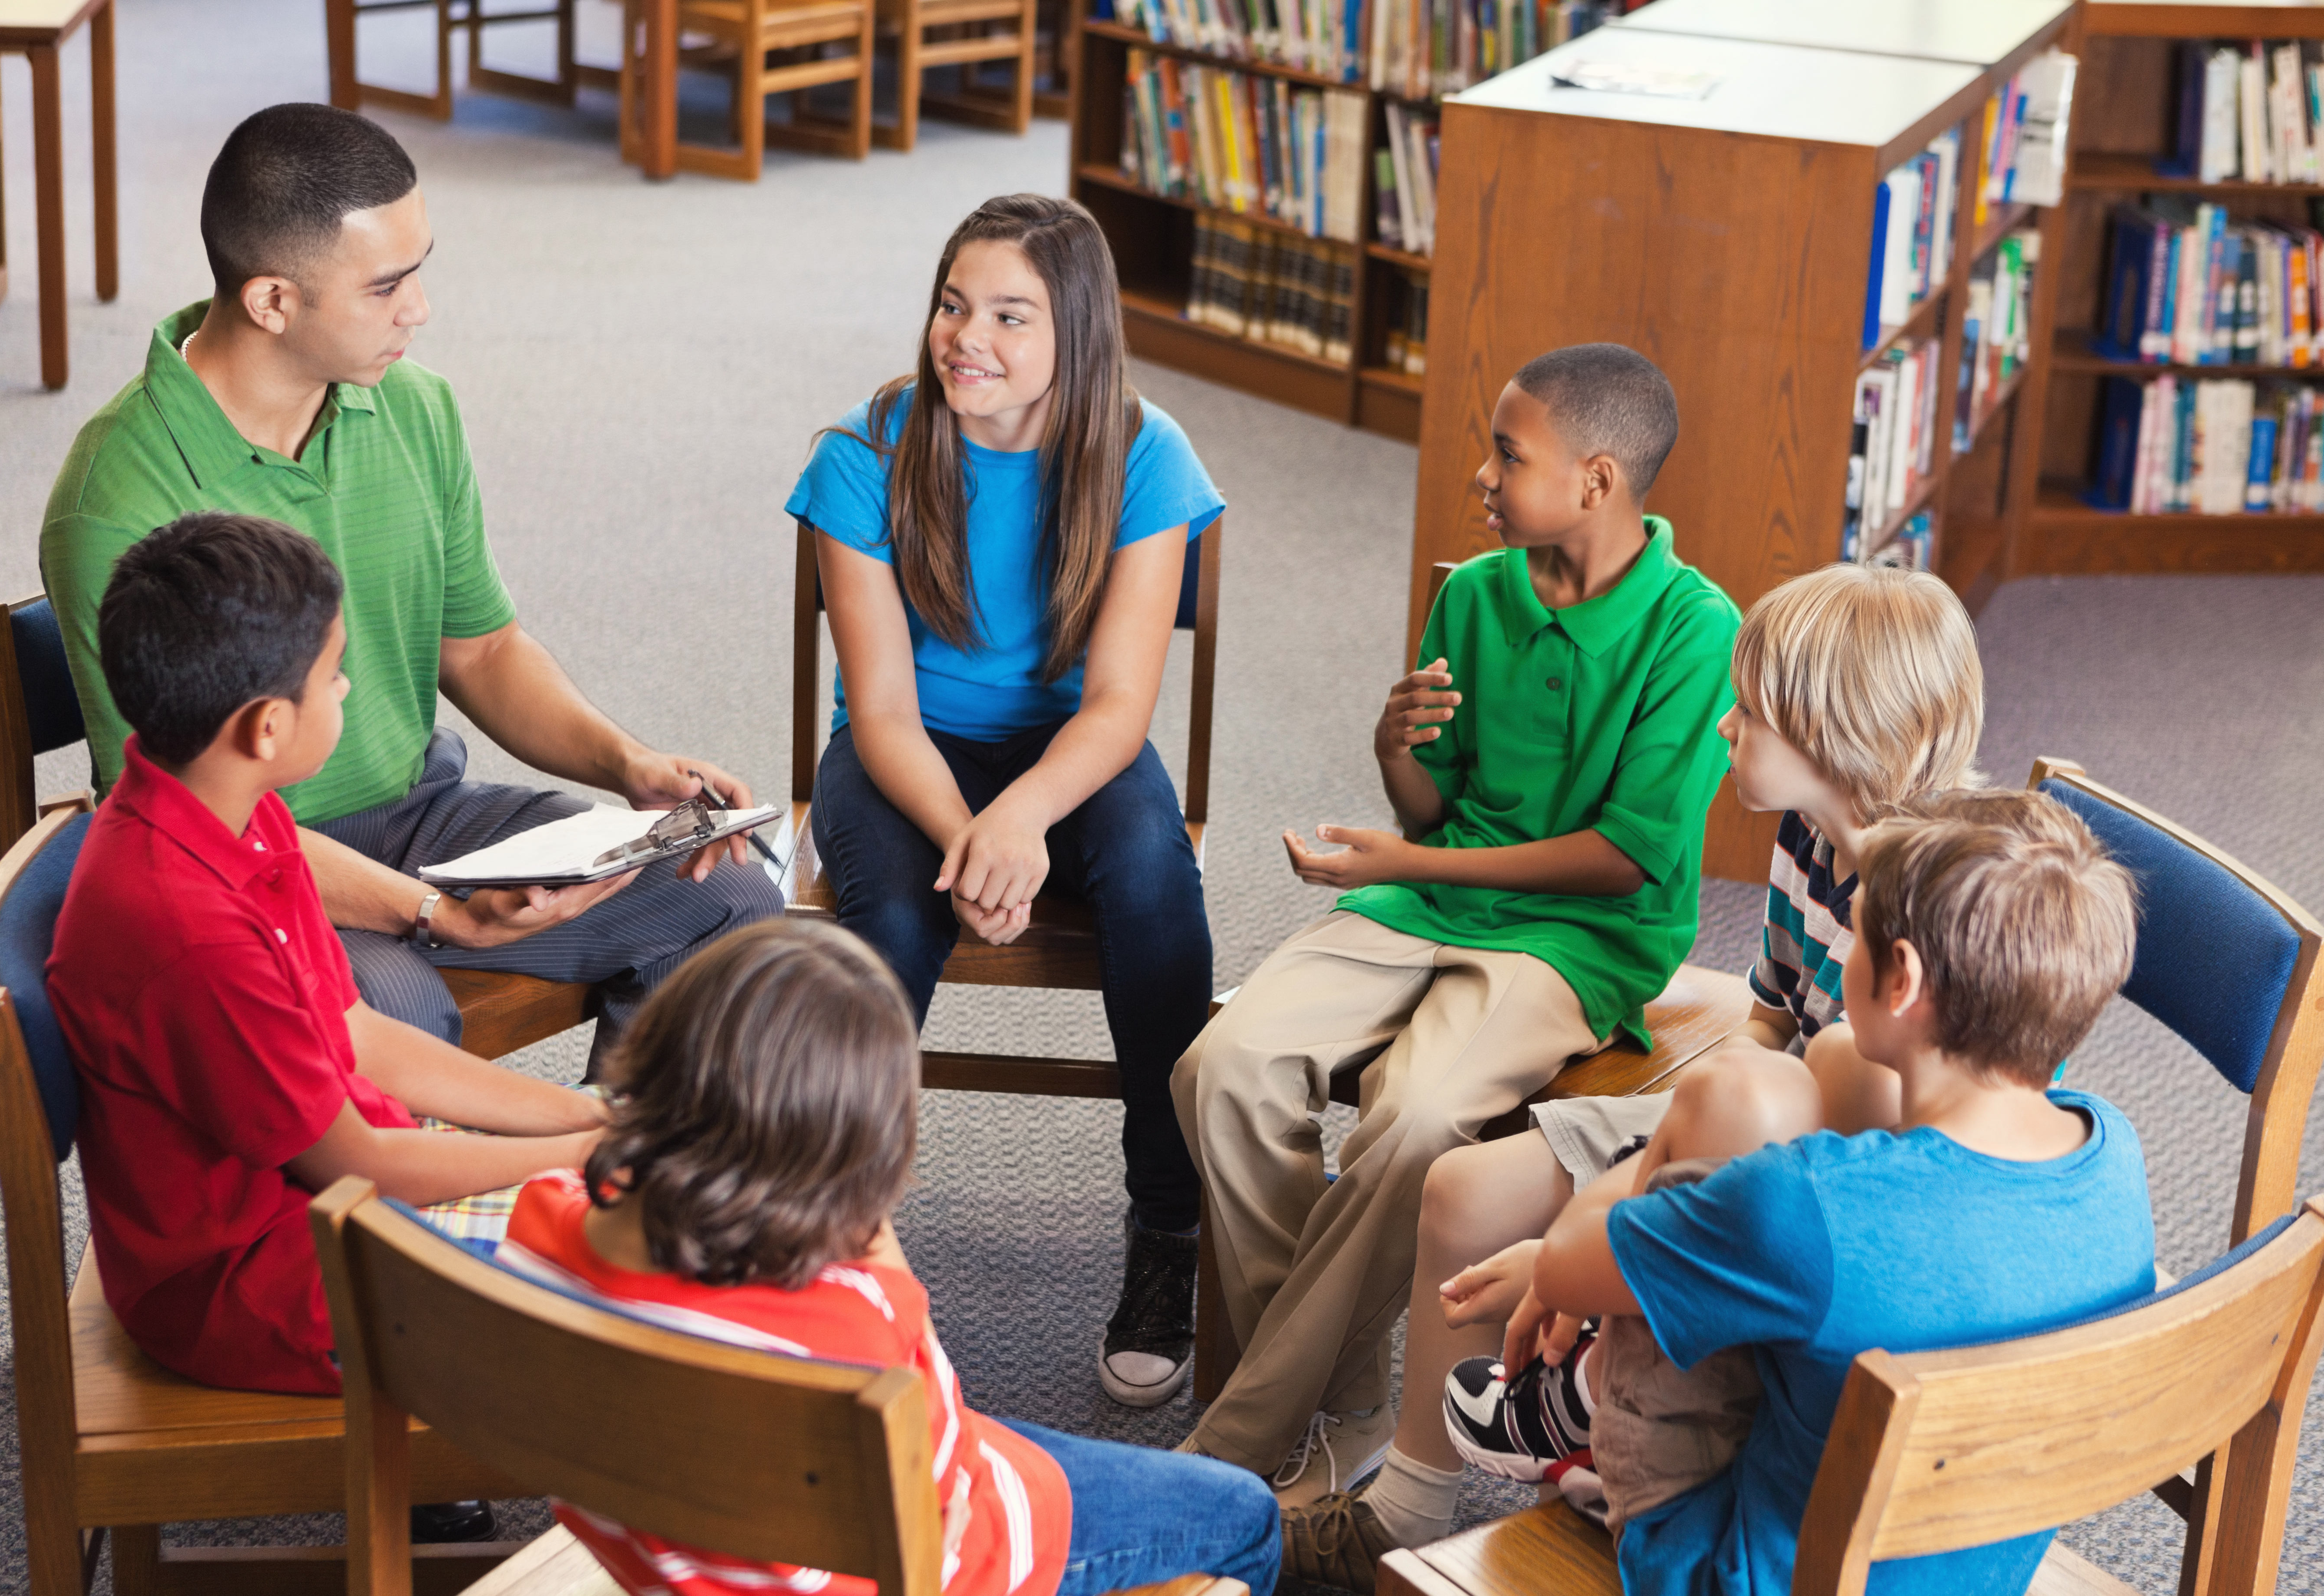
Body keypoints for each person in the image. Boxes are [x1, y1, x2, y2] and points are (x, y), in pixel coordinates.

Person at [40, 103, 778, 1069]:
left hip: (422, 812)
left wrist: (626, 764)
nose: (419, 309)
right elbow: (186, 816)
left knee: (730, 899)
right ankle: (424, 1219)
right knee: (397, 1016)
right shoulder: (118, 499)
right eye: (387, 284)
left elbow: (481, 649)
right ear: (272, 301)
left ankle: (606, 1199)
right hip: (250, 861)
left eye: (419, 269)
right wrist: (434, 913)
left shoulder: (414, 406)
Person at [1286, 561, 1987, 1563]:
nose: (1723, 728)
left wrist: (1635, 1206)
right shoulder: (1807, 835)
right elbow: (1763, 1026)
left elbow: (1862, 1141)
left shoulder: (1932, 905)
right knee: (1459, 1194)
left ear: (1842, 731)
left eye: (1751, 712)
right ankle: (1407, 1509)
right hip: (1748, 1124)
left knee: (1615, 1235)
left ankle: (1579, 1422)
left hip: (1826, 1191)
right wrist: (1654, 1151)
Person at [1172, 345, 1739, 1505]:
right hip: (1426, 900)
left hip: (1575, 941)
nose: (1480, 476)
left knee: (1419, 1116)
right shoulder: (1474, 592)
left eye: (1505, 453)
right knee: (1218, 1066)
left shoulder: (1695, 627)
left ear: (1594, 481)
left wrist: (1411, 851)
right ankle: (1346, 1398)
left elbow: (1621, 857)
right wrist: (1395, 753)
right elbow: (1429, 803)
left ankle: (1236, 1443)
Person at [1424, 790, 2155, 1596]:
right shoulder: (2110, 1150)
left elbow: (1562, 1266)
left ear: (1901, 978)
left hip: (1733, 1569)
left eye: (1861, 929)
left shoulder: (1802, 1207)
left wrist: (1653, 1161)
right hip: (1970, 1563)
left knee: (1725, 1094)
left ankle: (1582, 1396)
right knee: (1835, 1061)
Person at [784, 194, 1226, 1408]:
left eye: (1008, 316)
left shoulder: (1147, 455)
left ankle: (1166, 1223)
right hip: (907, 756)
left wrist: (1023, 814)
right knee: (884, 925)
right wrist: (965, 833)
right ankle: (837, 1225)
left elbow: (1120, 704)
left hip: (1073, 752)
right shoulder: (863, 450)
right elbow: (877, 708)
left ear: (1075, 335)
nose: (964, 336)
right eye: (951, 303)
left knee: (1152, 881)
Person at [500, 919, 1282, 1596]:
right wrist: (874, 1239)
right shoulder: (855, 1319)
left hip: (663, 1550)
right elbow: (947, 1516)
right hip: (923, 1558)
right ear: (864, 1145)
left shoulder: (544, 1214)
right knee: (1245, 1513)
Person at [47, 512, 613, 1407]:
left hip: (341, 1186)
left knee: (656, 1216)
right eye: (334, 673)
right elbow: (361, 1166)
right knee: (660, 1294)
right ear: (268, 725)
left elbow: (358, 1037)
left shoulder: (229, 800)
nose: (347, 687)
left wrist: (582, 1120)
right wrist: (584, 1153)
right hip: (262, 1282)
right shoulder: (187, 931)